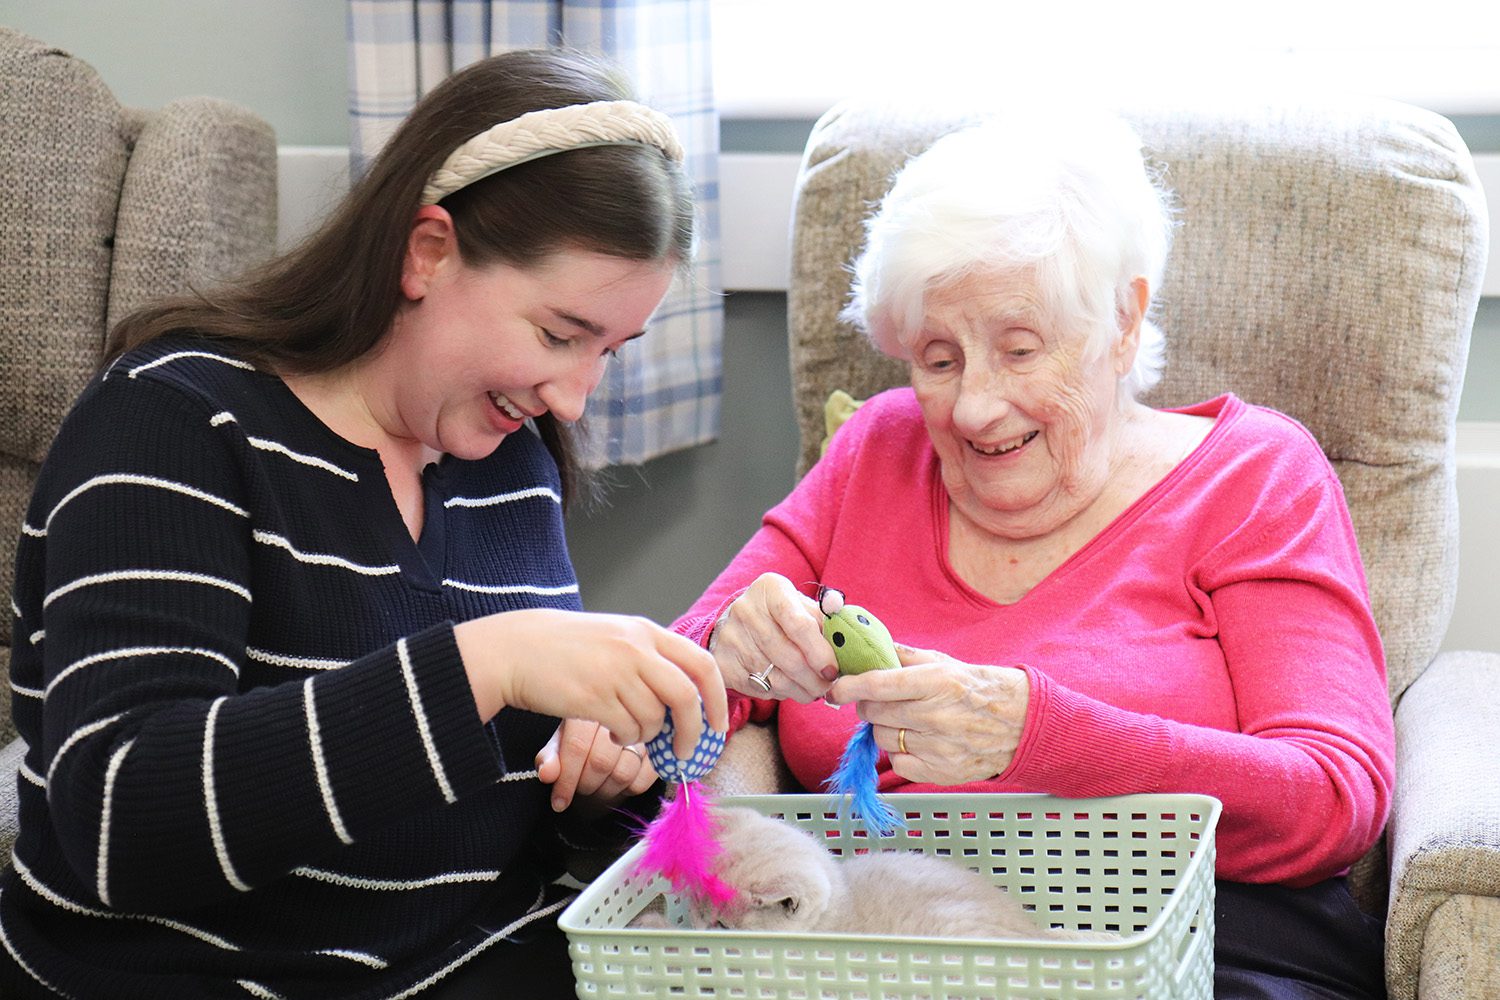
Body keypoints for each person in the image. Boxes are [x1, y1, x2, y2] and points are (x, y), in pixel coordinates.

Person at [1, 48, 727, 1000]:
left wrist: (594, 781)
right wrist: (483, 664)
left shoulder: (504, 459)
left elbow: (481, 810)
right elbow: (121, 820)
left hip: (477, 963)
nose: (576, 398)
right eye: (558, 334)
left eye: (610, 352)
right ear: (427, 252)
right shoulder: (176, 420)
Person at [674, 113, 1394, 999]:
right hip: (887, 949)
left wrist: (1037, 736)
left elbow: (1335, 799)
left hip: (1199, 944)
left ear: (1122, 321)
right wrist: (733, 645)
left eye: (1019, 350)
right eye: (939, 359)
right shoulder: (878, 449)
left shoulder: (1256, 478)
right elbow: (688, 659)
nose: (974, 408)